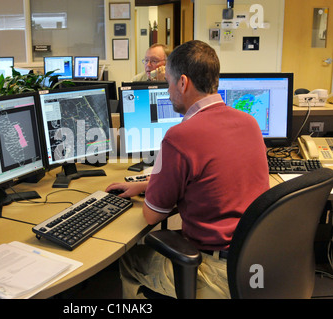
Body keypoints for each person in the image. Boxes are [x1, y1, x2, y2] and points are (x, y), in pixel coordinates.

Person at [106, 40, 270, 299]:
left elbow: (151, 215)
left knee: (130, 258)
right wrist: (146, 185)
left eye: (168, 82)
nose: (168, 91)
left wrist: (153, 191)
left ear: (182, 82)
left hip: (218, 272)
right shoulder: (249, 123)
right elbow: (212, 178)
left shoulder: (179, 137)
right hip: (257, 262)